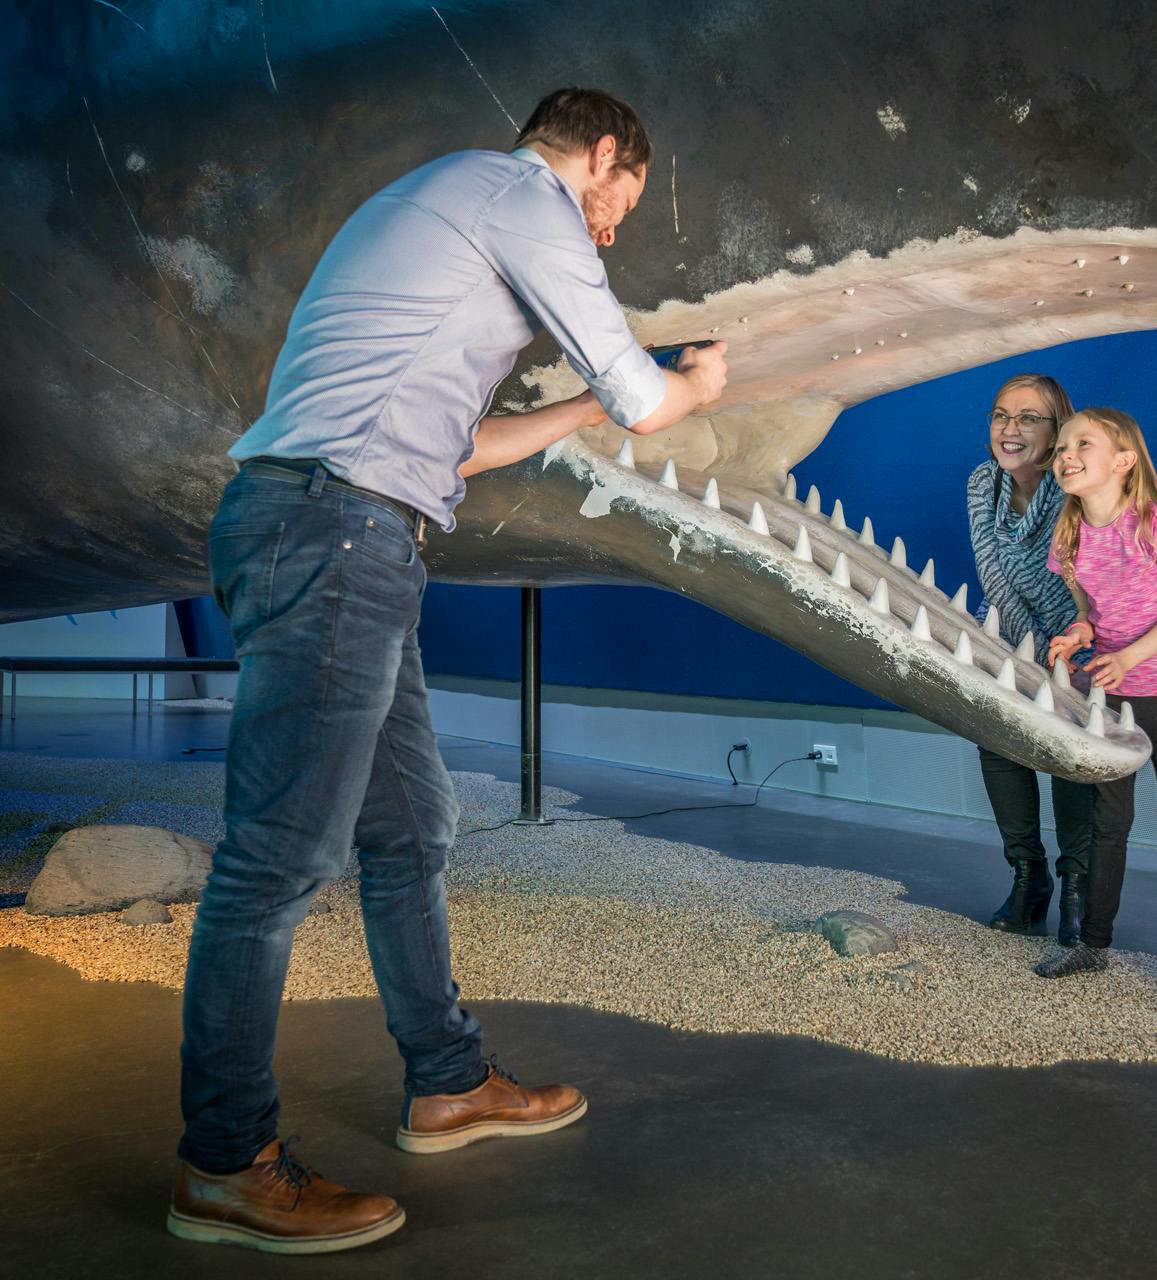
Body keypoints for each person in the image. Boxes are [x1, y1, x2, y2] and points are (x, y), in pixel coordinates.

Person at [168, 88, 729, 1254]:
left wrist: (579, 412)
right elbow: (644, 392)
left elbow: (461, 442)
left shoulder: (437, 206)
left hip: (346, 530)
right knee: (276, 860)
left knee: (413, 822)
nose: (613, 226)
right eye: (622, 197)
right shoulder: (521, 195)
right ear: (607, 153)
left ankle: (449, 1080)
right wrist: (690, 389)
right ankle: (223, 1160)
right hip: (336, 532)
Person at [1033, 408, 1157, 1014]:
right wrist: (1077, 634)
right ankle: (1093, 944)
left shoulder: (1156, 525)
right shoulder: (1069, 539)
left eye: (1082, 442)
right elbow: (1092, 612)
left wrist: (1130, 659)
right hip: (1106, 700)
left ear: (1122, 460)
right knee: (1107, 825)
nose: (1066, 453)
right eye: (1061, 444)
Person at [966, 374, 1094, 942]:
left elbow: (1086, 588)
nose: (1010, 429)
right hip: (1020, 642)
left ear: (1057, 429)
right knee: (995, 733)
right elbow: (993, 576)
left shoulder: (1077, 490)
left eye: (1028, 418)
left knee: (1070, 751)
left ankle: (1076, 883)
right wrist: (1028, 662)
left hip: (1086, 644)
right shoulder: (981, 482)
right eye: (1001, 415)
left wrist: (1059, 667)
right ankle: (1027, 874)